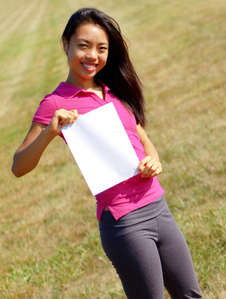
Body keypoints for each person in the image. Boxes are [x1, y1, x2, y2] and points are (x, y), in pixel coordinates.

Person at [11, 7, 201, 299]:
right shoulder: (56, 102)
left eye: (102, 49)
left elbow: (142, 138)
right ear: (66, 44)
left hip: (158, 206)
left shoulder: (113, 90)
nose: (93, 56)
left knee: (190, 295)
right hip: (125, 221)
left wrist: (155, 160)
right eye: (83, 46)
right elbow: (19, 166)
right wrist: (50, 131)